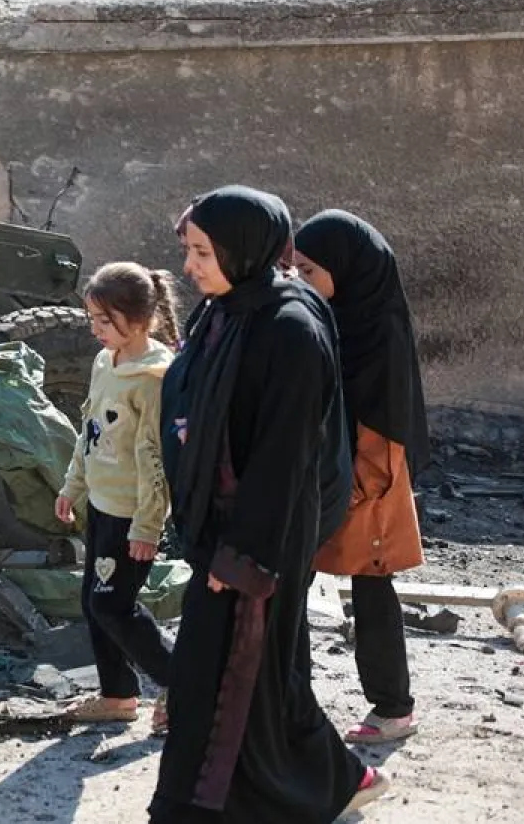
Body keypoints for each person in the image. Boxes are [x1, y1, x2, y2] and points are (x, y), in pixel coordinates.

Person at [149, 186, 387, 823]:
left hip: (258, 539)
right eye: (188, 250)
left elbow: (286, 458)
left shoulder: (290, 328)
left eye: (202, 252)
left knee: (229, 677)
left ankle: (191, 808)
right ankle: (343, 781)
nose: (188, 266)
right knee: (252, 682)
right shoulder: (224, 311)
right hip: (218, 531)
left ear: (243, 248)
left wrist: (242, 556)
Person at [294, 210, 428, 744]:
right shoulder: (338, 317)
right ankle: (285, 699)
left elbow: (384, 421)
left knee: (371, 585)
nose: (300, 280)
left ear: (344, 267)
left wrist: (352, 486)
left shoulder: (379, 334)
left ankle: (393, 709)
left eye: (309, 270)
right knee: (290, 583)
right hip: (331, 475)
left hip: (366, 480)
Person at [54, 262, 179, 735]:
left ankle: (181, 684)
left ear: (139, 319)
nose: (95, 329)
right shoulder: (105, 362)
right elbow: (89, 431)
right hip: (101, 507)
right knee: (93, 602)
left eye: (104, 320)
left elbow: (156, 460)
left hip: (131, 516)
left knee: (113, 604)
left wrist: (148, 526)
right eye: (92, 318)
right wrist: (73, 485)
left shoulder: (155, 378)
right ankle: (117, 695)